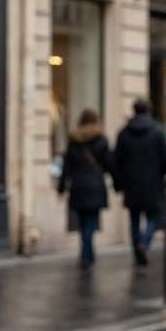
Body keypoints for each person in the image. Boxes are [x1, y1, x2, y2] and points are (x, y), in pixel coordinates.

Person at [113, 98, 166, 266]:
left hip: (131, 183)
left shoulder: (124, 133)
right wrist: (160, 173)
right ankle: (144, 242)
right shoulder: (157, 131)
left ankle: (137, 250)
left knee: (134, 218)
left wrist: (119, 182)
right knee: (154, 216)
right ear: (148, 110)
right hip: (152, 183)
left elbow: (116, 161)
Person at [56, 107, 112, 269]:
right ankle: (86, 256)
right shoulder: (102, 140)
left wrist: (61, 188)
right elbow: (109, 164)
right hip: (95, 184)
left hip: (78, 185)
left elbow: (66, 167)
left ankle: (87, 253)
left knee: (82, 223)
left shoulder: (74, 141)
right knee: (91, 223)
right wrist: (117, 181)